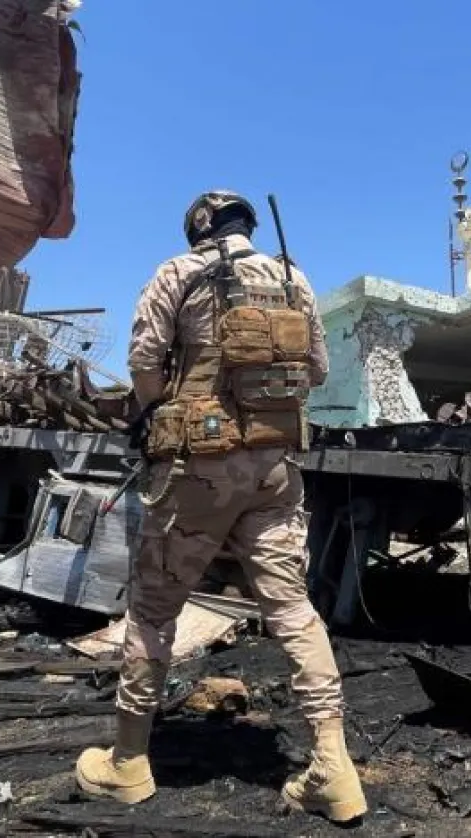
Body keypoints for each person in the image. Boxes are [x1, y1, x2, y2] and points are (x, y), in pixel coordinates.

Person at [75, 190, 367, 823]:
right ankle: (333, 770)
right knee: (292, 607)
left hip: (198, 473)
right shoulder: (295, 278)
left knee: (154, 613)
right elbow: (316, 370)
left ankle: (127, 763)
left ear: (199, 229)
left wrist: (161, 411)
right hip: (273, 468)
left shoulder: (179, 273)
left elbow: (144, 363)